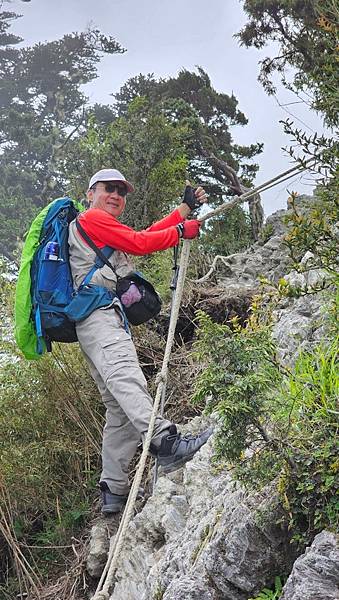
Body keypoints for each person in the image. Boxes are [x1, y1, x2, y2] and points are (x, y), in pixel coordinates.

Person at [68, 168, 212, 514]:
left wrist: (182, 211)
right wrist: (182, 231)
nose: (116, 195)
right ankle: (165, 441)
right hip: (100, 319)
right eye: (108, 189)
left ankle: (113, 491)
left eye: (121, 190)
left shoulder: (99, 227)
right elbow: (141, 245)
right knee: (127, 381)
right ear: (91, 193)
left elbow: (141, 235)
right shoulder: (92, 218)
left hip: (96, 319)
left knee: (118, 407)